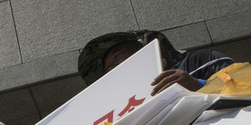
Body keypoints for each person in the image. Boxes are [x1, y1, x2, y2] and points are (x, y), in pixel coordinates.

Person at [78, 30, 234, 96]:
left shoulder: (198, 61)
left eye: (118, 57)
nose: (113, 69)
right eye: (108, 69)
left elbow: (248, 84)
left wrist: (199, 86)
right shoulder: (122, 111)